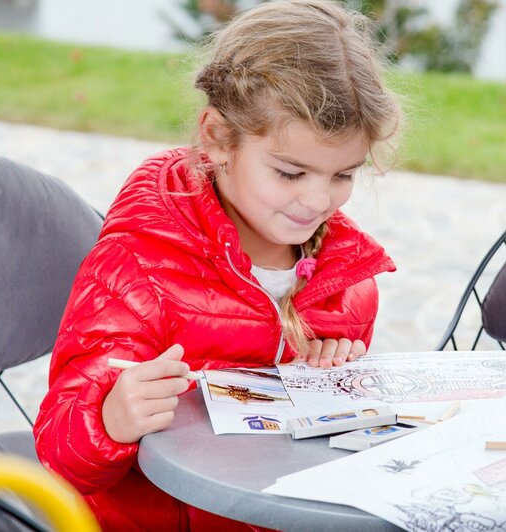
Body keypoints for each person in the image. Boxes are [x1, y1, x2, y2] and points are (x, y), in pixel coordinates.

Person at [33, 1, 402, 529]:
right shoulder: (140, 269)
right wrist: (111, 418)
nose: (319, 201)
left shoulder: (346, 283)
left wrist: (338, 383)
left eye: (343, 174)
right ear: (217, 138)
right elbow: (59, 452)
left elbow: (325, 448)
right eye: (291, 173)